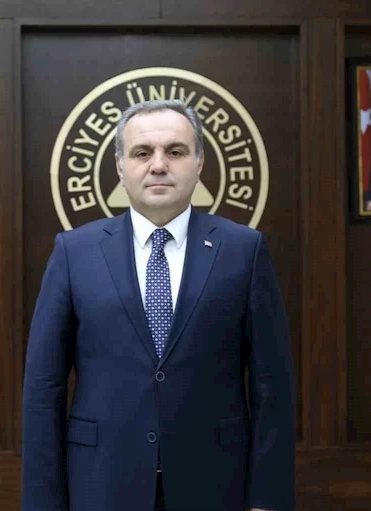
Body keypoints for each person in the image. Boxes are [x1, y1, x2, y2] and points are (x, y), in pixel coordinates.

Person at [22, 99, 295, 511]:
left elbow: (271, 385)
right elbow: (44, 388)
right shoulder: (74, 252)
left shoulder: (244, 249)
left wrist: (267, 500)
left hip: (215, 484)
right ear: (119, 166)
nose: (159, 165)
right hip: (102, 483)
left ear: (199, 163)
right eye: (142, 153)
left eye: (176, 151)